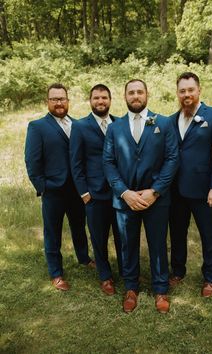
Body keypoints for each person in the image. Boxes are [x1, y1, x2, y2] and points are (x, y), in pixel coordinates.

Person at [103, 79, 179, 313]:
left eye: (139, 92)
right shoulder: (114, 128)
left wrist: (155, 191)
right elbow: (108, 162)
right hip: (125, 200)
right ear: (125, 96)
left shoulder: (163, 123)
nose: (136, 96)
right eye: (131, 92)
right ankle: (131, 288)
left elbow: (172, 159)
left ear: (147, 94)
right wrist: (124, 193)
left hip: (156, 199)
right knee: (128, 245)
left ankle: (160, 289)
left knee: (157, 244)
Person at [25, 83, 94, 291]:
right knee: (52, 232)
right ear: (47, 102)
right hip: (53, 191)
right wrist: (42, 187)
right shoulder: (37, 127)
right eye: (54, 99)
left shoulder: (78, 124)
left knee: (79, 226)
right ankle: (56, 273)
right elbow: (32, 160)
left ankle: (83, 258)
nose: (59, 102)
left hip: (77, 190)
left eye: (62, 98)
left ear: (68, 101)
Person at [169, 72, 212, 297]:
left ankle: (211, 277)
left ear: (199, 90)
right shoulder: (171, 120)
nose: (187, 94)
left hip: (205, 190)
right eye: (182, 91)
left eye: (190, 90)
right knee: (176, 232)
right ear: (178, 93)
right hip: (176, 190)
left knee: (208, 234)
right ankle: (177, 271)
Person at [70, 84, 122, 295]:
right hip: (94, 194)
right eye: (96, 98)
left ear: (110, 100)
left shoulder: (119, 123)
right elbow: (76, 162)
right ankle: (105, 276)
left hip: (119, 193)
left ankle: (127, 272)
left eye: (104, 98)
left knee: (122, 235)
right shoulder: (81, 126)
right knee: (99, 238)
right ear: (90, 101)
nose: (101, 101)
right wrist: (84, 193)